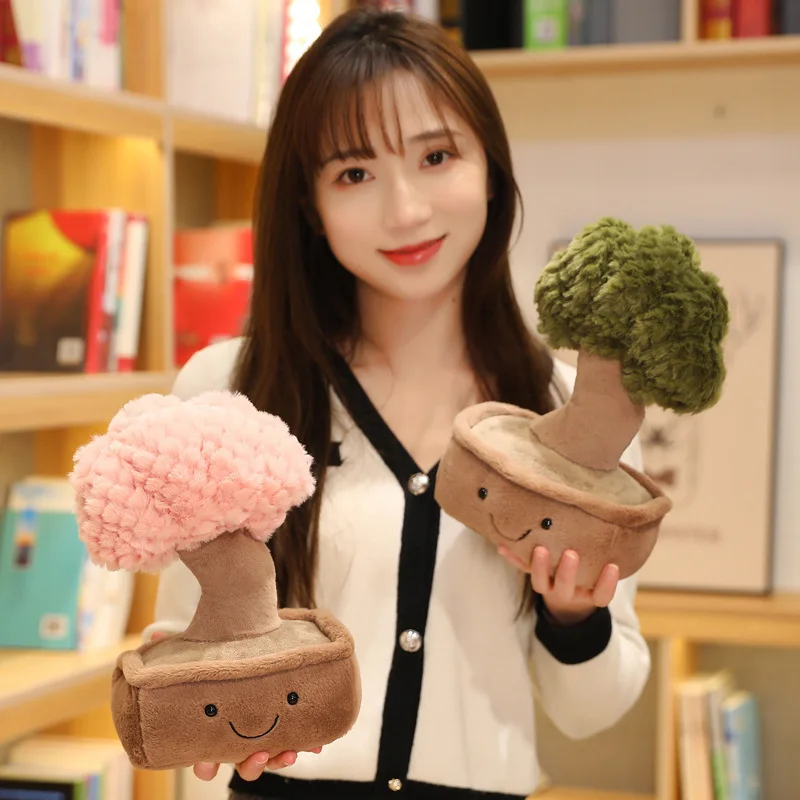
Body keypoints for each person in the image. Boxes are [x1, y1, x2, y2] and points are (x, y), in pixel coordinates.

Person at [143, 6, 651, 799]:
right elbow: (186, 638)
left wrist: (574, 616)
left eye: (437, 156)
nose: (406, 209)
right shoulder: (227, 393)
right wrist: (201, 702)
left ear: (491, 168)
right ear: (309, 205)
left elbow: (593, 710)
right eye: (355, 174)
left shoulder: (573, 406)